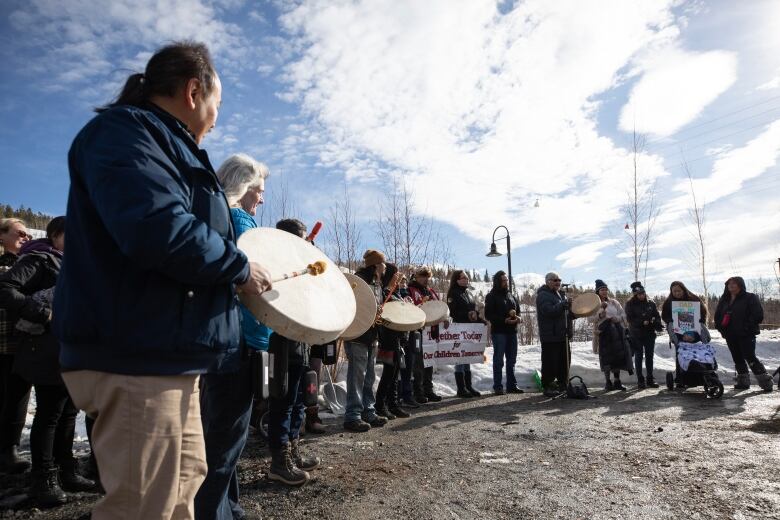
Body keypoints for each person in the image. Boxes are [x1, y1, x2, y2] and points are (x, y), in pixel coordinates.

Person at [53, 42, 272, 520]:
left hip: (169, 356)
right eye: (217, 104)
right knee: (143, 507)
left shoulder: (164, 143)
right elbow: (158, 228)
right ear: (194, 91)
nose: (216, 117)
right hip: (137, 354)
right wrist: (239, 266)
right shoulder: (126, 135)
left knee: (178, 498)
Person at [195, 153, 270, 519]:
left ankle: (231, 509)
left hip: (221, 340)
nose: (262, 198)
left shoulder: (216, 217)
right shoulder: (241, 223)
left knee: (223, 438)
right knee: (224, 444)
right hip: (239, 341)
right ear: (244, 185)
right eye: (259, 189)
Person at [0, 217, 95, 505]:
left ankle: (66, 471)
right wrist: (42, 313)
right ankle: (43, 480)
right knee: (50, 414)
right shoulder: (41, 259)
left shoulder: (75, 264)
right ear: (55, 235)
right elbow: (5, 289)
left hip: (72, 349)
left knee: (68, 412)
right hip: (44, 349)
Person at [265, 219, 321, 485]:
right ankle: (279, 461)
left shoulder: (303, 266)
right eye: (300, 237)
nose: (304, 241)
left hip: (301, 341)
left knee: (299, 401)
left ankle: (294, 451)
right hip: (281, 341)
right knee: (283, 402)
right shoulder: (275, 265)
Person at [343, 250, 389, 432]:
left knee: (369, 376)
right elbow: (353, 306)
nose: (385, 267)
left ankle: (368, 411)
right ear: (376, 265)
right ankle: (352, 416)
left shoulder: (376, 283)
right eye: (383, 264)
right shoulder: (358, 281)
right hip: (357, 336)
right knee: (357, 376)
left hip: (371, 335)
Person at [0, 218, 32, 473]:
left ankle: (9, 449)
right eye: (20, 232)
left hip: (19, 341)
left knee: (17, 396)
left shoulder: (28, 263)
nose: (26, 237)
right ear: (2, 235)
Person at [714, 276, 772, 392]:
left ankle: (766, 382)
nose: (731, 285)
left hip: (746, 334)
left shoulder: (750, 297)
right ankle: (743, 382)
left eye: (734, 283)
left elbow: (757, 315)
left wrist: (746, 327)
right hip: (730, 335)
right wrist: (721, 329)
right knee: (737, 358)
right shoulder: (724, 299)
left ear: (740, 285)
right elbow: (718, 316)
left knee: (749, 356)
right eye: (729, 283)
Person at [375, 264, 411, 420]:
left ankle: (393, 405)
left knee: (395, 374)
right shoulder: (384, 293)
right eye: (395, 275)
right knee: (388, 374)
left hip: (399, 340)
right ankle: (380, 406)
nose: (399, 277)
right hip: (389, 339)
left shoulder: (395, 293)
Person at [661, 281, 710, 387]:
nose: (677, 293)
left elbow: (702, 314)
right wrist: (674, 320)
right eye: (674, 291)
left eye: (679, 290)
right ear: (671, 292)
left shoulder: (694, 299)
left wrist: (694, 333)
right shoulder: (669, 302)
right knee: (680, 353)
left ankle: (700, 375)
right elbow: (665, 316)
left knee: (697, 352)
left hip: (694, 333)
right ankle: (680, 378)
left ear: (683, 289)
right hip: (678, 333)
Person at [407, 267, 443, 404]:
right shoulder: (410, 290)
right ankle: (418, 392)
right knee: (419, 363)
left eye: (427, 276)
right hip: (418, 331)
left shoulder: (432, 291)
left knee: (429, 362)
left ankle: (428, 390)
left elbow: (439, 309)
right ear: (416, 276)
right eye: (422, 276)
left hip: (431, 331)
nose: (425, 279)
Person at [484, 271, 522, 395]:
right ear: (498, 282)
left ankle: (512, 385)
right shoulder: (491, 296)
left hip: (512, 331)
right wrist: (503, 320)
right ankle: (498, 386)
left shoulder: (511, 295)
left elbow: (518, 311)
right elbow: (488, 314)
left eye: (507, 280)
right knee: (499, 360)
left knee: (511, 360)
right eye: (503, 280)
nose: (506, 282)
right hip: (499, 332)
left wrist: (519, 318)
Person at [535, 272, 573, 397]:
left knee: (564, 361)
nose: (558, 282)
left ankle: (562, 384)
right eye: (555, 280)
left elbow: (564, 313)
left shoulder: (560, 295)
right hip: (550, 336)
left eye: (559, 280)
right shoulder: (543, 295)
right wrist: (563, 304)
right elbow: (549, 311)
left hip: (562, 335)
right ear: (548, 281)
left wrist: (575, 312)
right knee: (550, 362)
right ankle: (548, 386)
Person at [446, 270, 482, 398]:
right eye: (463, 278)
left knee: (467, 357)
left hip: (469, 329)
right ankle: (461, 388)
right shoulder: (453, 293)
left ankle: (468, 386)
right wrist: (467, 315)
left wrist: (480, 320)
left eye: (467, 278)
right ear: (457, 280)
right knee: (460, 358)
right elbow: (452, 312)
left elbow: (472, 310)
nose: (466, 280)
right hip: (458, 328)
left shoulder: (468, 293)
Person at [592, 279, 633, 391]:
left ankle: (617, 381)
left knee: (617, 355)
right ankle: (607, 382)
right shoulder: (595, 304)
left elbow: (623, 315)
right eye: (602, 290)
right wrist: (600, 315)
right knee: (606, 357)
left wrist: (617, 318)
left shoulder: (614, 302)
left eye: (606, 289)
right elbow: (590, 319)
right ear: (598, 291)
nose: (604, 291)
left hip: (616, 333)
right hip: (603, 334)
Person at [624, 281, 663, 389]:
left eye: (643, 293)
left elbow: (657, 315)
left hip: (649, 333)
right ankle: (640, 379)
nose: (642, 295)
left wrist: (657, 323)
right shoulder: (630, 304)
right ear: (635, 294)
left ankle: (650, 378)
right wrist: (642, 322)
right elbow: (629, 319)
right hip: (636, 334)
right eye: (639, 294)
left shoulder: (651, 303)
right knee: (639, 356)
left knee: (650, 356)